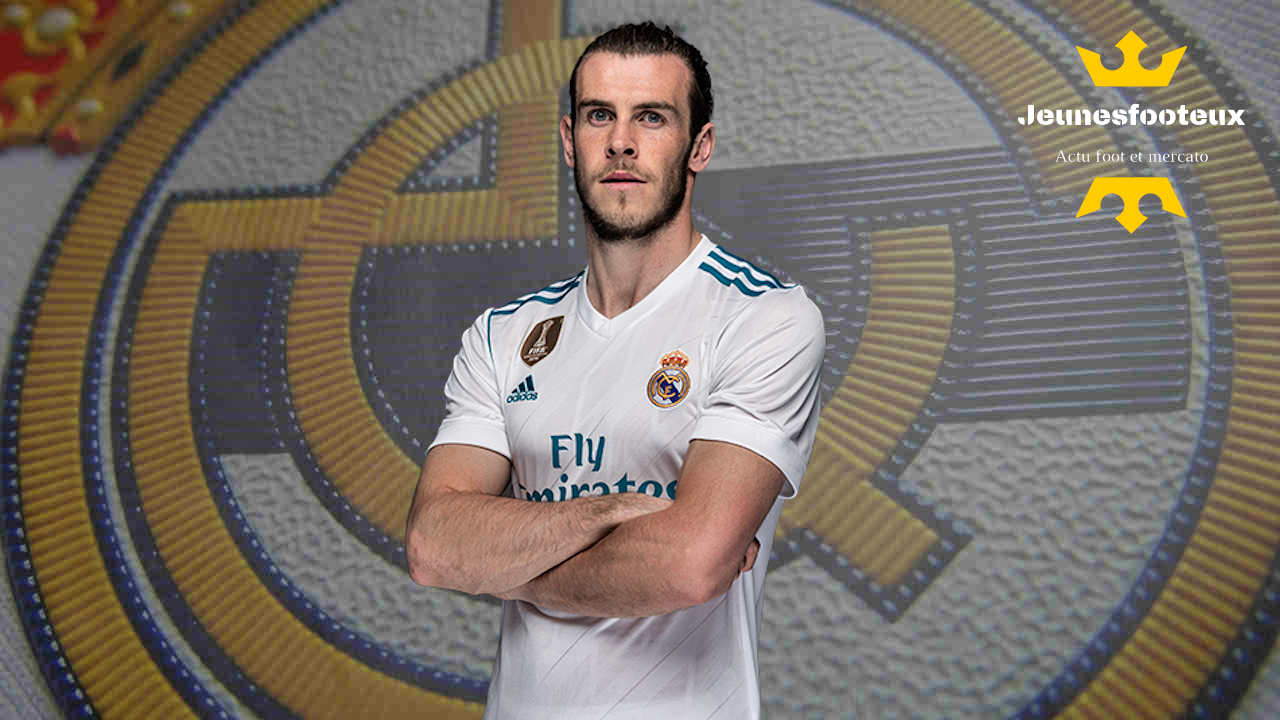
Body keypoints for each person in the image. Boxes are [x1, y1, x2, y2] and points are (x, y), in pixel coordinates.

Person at [405, 21, 825, 720]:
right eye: (600, 115)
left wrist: (512, 569)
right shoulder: (503, 336)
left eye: (651, 117)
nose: (621, 142)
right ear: (570, 140)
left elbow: (690, 566)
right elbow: (433, 545)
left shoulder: (764, 318)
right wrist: (604, 514)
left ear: (700, 146)